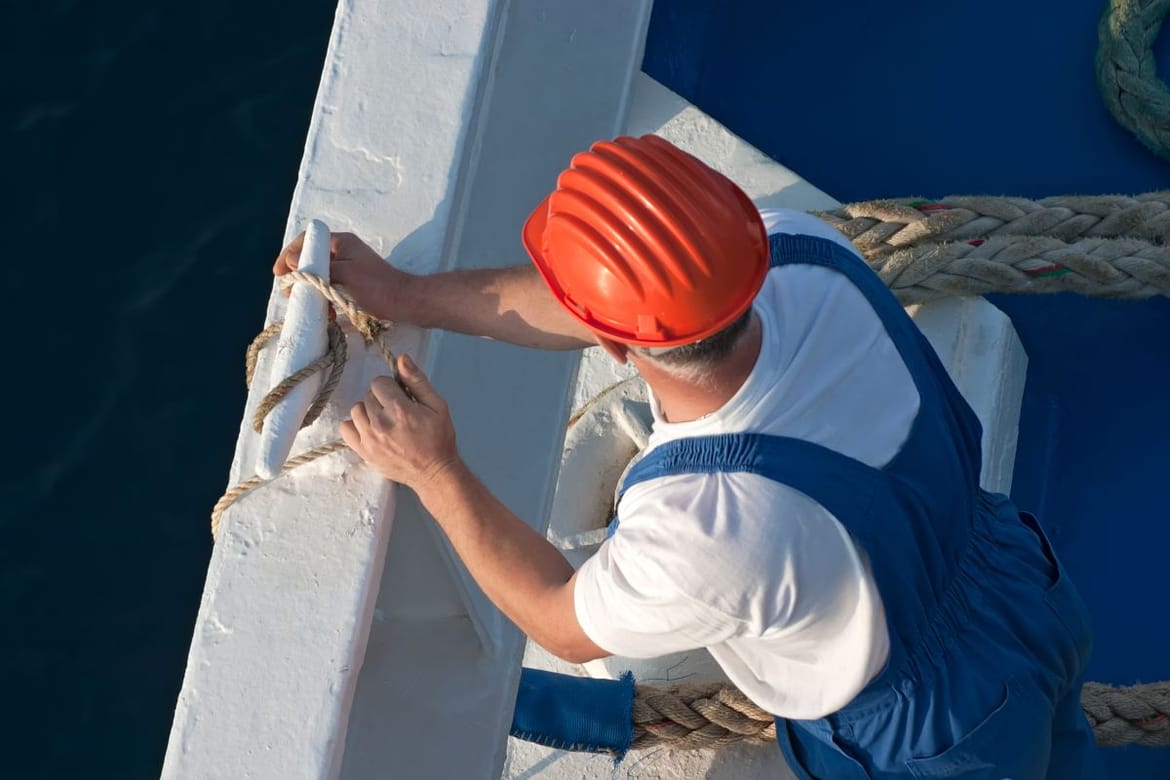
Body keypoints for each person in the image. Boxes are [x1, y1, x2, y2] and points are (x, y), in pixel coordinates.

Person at [273, 135, 1101, 779]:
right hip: (1020, 578)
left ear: (609, 342)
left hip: (934, 734)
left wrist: (435, 471)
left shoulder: (704, 529)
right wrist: (405, 295)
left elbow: (560, 623)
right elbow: (621, 310)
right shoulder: (809, 253)